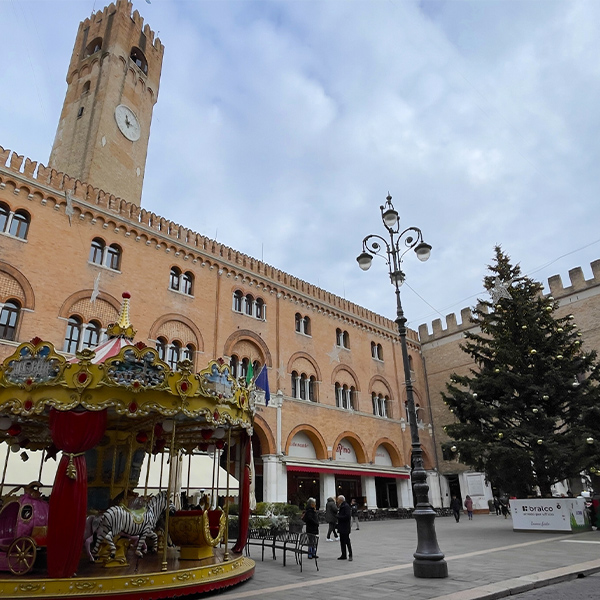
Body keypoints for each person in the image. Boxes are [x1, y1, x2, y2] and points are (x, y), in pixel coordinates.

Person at [336, 495, 353, 561]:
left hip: (345, 526)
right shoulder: (342, 506)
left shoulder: (346, 506)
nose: (337, 501)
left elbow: (347, 516)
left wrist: (338, 517)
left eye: (338, 499)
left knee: (347, 541)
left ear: (341, 500)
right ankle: (343, 554)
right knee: (342, 541)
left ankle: (350, 554)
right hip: (341, 526)